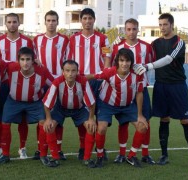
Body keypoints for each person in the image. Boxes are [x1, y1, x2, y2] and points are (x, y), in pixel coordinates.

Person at [134, 13, 188, 169]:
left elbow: (168, 59)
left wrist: (148, 67)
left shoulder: (179, 42)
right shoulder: (155, 43)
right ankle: (164, 155)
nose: (162, 28)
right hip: (161, 85)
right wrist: (122, 41)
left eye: (165, 24)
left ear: (172, 25)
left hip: (177, 86)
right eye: (160, 25)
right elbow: (142, 50)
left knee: (185, 121)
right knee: (164, 119)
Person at [0, 47, 59, 167]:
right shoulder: (11, 67)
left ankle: (43, 155)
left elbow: (55, 84)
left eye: (28, 59)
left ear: (33, 60)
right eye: (22, 59)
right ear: (18, 60)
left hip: (34, 102)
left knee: (43, 123)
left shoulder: (42, 70)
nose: (25, 63)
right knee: (4, 123)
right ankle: (5, 154)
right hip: (13, 101)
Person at [86, 48, 148, 168]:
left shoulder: (138, 74)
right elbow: (93, 76)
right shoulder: (109, 72)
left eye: (128, 61)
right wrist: (77, 79)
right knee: (102, 128)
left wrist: (140, 115)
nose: (124, 64)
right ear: (117, 61)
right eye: (122, 60)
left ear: (132, 62)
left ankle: (131, 156)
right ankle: (100, 156)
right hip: (106, 104)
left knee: (143, 126)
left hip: (127, 106)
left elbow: (139, 93)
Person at [67, 7, 111, 160]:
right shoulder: (73, 39)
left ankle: (100, 148)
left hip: (97, 82)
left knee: (98, 116)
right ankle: (82, 147)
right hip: (80, 82)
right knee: (84, 116)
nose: (87, 21)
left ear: (94, 20)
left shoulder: (103, 38)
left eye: (90, 18)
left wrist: (103, 74)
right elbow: (70, 60)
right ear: (81, 20)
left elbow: (107, 57)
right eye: (84, 18)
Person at [110, 18, 155, 165]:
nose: (131, 32)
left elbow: (150, 63)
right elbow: (112, 66)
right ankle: (122, 154)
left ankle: (145, 154)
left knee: (145, 120)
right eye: (128, 29)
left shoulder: (146, 47)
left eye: (134, 29)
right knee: (123, 122)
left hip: (141, 88)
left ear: (138, 29)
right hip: (124, 89)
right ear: (124, 30)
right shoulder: (117, 47)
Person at [0, 13, 33, 160]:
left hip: (23, 84)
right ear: (5, 24)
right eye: (9, 22)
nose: (12, 24)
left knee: (23, 118)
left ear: (19, 23)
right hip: (3, 84)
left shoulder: (27, 42)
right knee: (2, 117)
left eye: (15, 22)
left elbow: (32, 61)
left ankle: (22, 148)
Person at [42, 60, 96, 168]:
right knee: (50, 126)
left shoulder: (83, 81)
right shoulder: (57, 82)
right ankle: (55, 157)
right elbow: (47, 104)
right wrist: (48, 119)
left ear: (77, 71)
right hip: (60, 108)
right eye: (67, 71)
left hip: (79, 109)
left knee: (91, 127)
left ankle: (86, 158)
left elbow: (92, 103)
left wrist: (91, 119)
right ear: (63, 71)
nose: (70, 74)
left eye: (73, 71)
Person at [33, 10, 69, 160]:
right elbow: (33, 60)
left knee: (58, 118)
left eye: (54, 20)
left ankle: (58, 149)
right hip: (42, 84)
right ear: (45, 22)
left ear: (57, 22)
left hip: (59, 83)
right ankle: (39, 148)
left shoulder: (65, 40)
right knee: (42, 117)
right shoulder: (36, 40)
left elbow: (68, 61)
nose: (51, 23)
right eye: (49, 20)